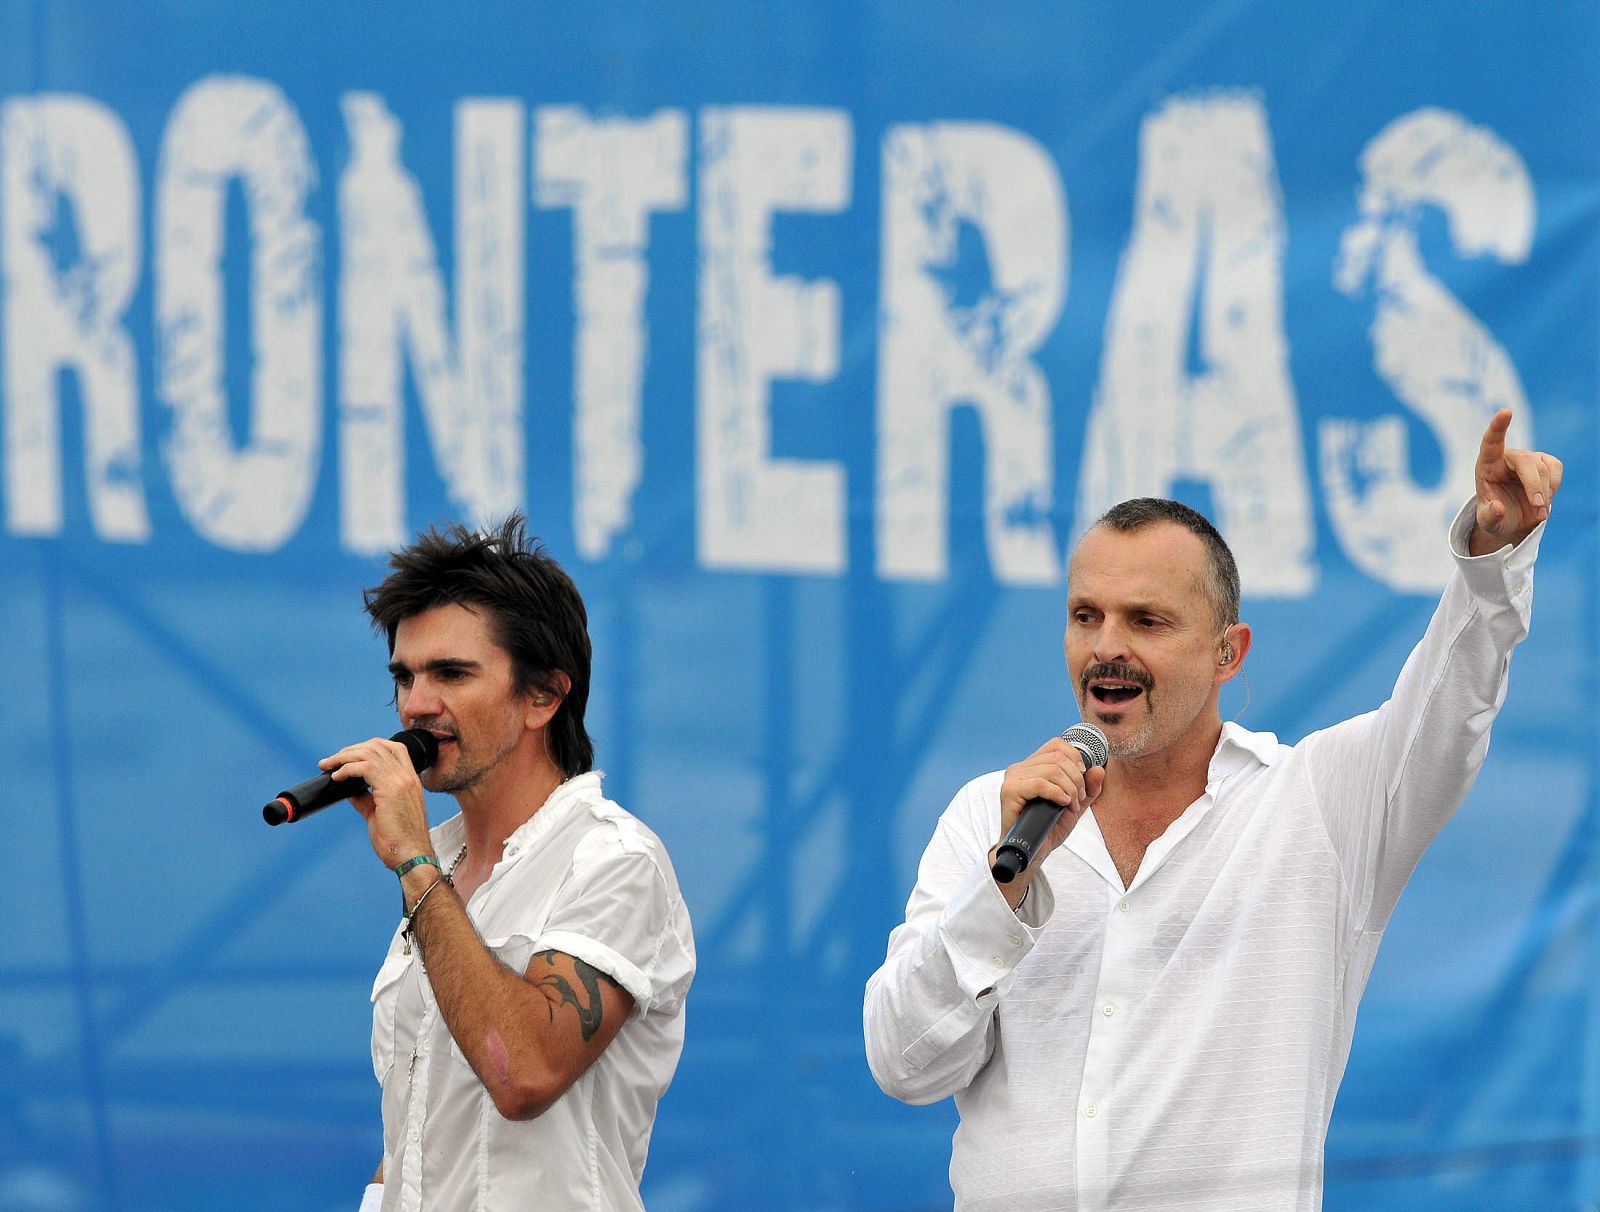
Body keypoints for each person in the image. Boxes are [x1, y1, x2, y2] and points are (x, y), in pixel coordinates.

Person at [863, 409, 1560, 1211]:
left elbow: (1447, 710)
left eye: (1147, 621)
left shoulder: (1317, 803)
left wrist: (1492, 559)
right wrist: (1004, 892)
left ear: (1228, 651)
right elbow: (905, 1065)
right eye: (1086, 615)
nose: (1106, 648)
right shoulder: (993, 816)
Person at [326, 515, 695, 1212]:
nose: (417, 704)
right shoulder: (446, 868)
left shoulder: (613, 859)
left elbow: (521, 1071)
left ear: (544, 696)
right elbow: (425, 1119)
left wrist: (412, 860)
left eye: (452, 673)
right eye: (404, 676)